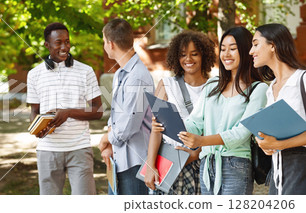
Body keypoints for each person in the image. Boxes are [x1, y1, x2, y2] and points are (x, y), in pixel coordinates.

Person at [175, 26, 268, 195]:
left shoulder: (258, 89)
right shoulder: (212, 85)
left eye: (233, 49)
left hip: (236, 165)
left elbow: (241, 134)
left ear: (247, 50)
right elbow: (195, 122)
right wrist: (172, 126)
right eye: (223, 49)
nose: (226, 54)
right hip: (207, 164)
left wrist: (201, 141)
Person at [26, 22, 103, 195]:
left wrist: (68, 113)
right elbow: (34, 112)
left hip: (79, 148)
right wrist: (36, 128)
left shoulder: (86, 71)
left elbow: (98, 111)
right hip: (48, 150)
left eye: (67, 42)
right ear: (47, 45)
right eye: (58, 42)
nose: (64, 47)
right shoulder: (34, 74)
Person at [144, 30, 216, 195]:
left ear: (204, 56)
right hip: (169, 161)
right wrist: (150, 165)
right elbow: (156, 130)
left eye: (194, 54)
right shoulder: (166, 85)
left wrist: (194, 154)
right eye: (183, 54)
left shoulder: (215, 87)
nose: (188, 59)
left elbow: (217, 128)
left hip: (201, 162)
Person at [98, 18, 155, 195]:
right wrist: (109, 146)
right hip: (119, 160)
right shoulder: (120, 74)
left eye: (104, 42)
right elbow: (115, 115)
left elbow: (127, 126)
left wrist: (106, 139)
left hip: (135, 163)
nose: (104, 46)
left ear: (111, 44)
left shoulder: (137, 77)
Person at [249, 23, 306, 195]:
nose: (251, 51)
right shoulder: (270, 88)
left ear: (273, 45)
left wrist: (279, 144)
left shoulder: (302, 80)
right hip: (277, 171)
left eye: (256, 44)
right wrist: (265, 143)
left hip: (301, 167)